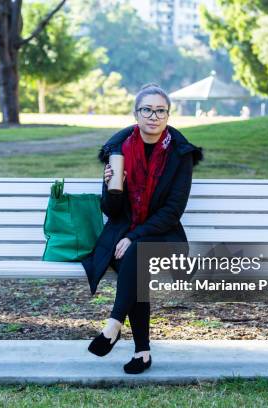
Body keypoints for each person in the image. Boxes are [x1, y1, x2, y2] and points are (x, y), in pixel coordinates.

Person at [81, 83, 204, 374]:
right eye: (147, 109)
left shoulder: (179, 154)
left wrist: (134, 235)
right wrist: (112, 187)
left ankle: (113, 325)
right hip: (124, 234)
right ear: (136, 113)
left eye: (161, 110)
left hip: (165, 235)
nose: (154, 116)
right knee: (136, 259)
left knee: (137, 252)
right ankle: (142, 352)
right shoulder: (118, 152)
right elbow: (111, 211)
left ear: (168, 115)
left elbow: (173, 212)